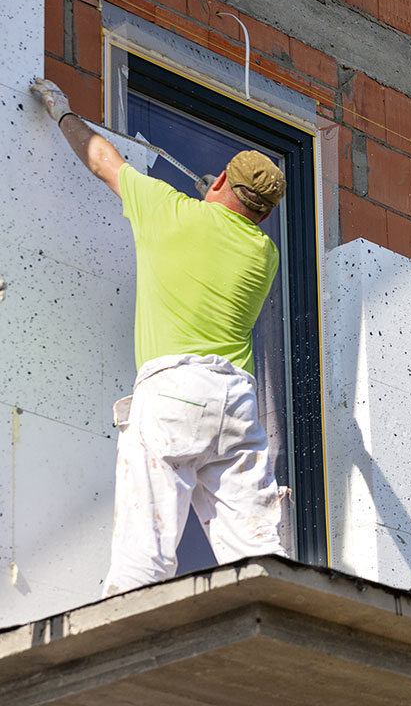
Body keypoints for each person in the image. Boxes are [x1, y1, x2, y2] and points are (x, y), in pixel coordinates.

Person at [30, 78, 288, 596]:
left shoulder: (166, 212)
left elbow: (103, 159)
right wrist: (213, 202)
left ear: (219, 186)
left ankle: (118, 650)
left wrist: (62, 112)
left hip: (173, 393)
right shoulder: (266, 255)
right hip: (235, 404)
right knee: (259, 554)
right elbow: (227, 227)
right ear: (266, 213)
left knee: (144, 556)